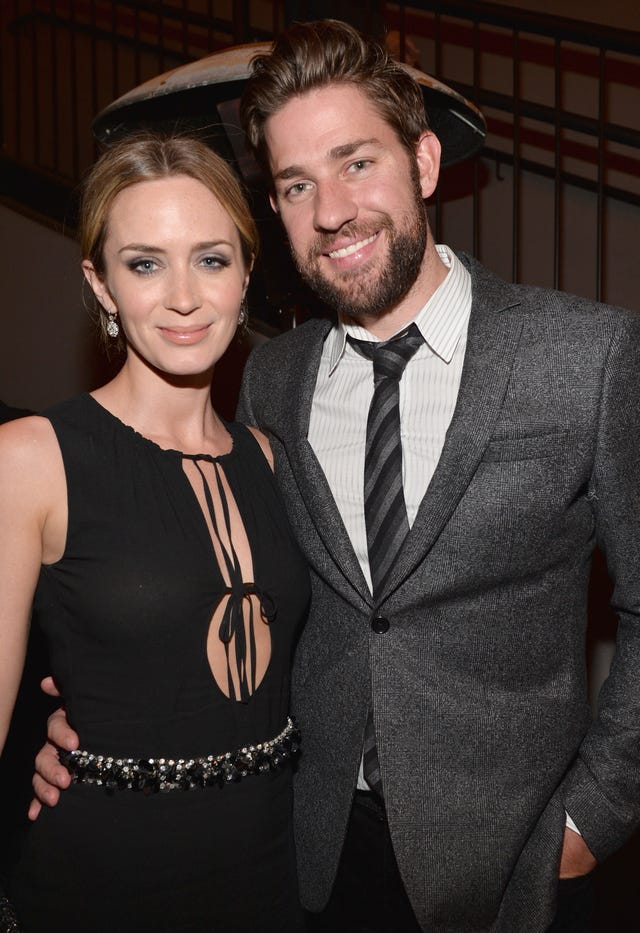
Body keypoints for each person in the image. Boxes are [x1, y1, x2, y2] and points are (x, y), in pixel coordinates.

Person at [33, 19, 640, 933]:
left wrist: (594, 816)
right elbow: (224, 589)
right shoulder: (272, 380)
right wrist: (101, 726)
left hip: (517, 872)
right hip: (305, 854)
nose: (331, 211)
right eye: (295, 184)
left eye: (357, 163)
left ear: (425, 163)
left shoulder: (587, 355)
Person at [0, 132, 309, 932]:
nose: (184, 296)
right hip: (102, 890)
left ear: (247, 273)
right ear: (100, 284)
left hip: (271, 882)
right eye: (144, 263)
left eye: (211, 259)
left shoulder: (273, 458)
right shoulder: (31, 458)